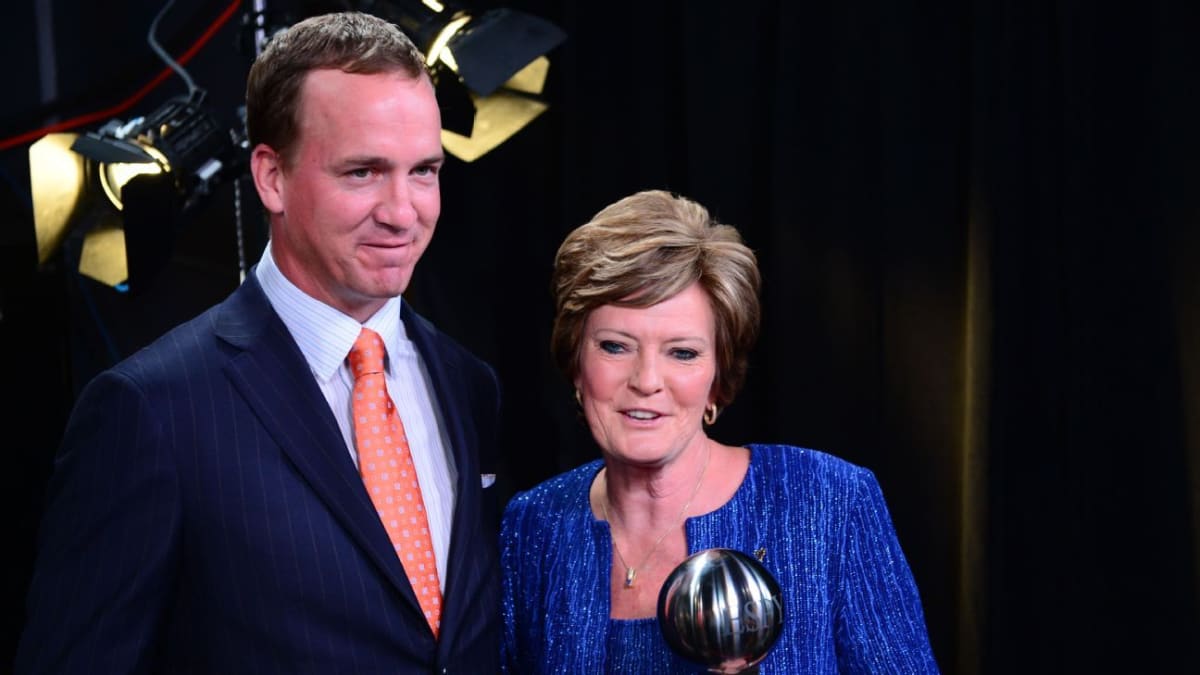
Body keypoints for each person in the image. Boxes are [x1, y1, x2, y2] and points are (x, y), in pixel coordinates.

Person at [16, 11, 503, 674]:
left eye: (423, 170)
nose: (401, 212)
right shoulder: (150, 412)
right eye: (362, 172)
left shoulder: (469, 385)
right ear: (272, 176)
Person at [500, 189, 939, 672]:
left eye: (682, 352)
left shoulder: (829, 501)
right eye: (615, 346)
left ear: (718, 377)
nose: (647, 381)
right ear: (576, 362)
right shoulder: (533, 524)